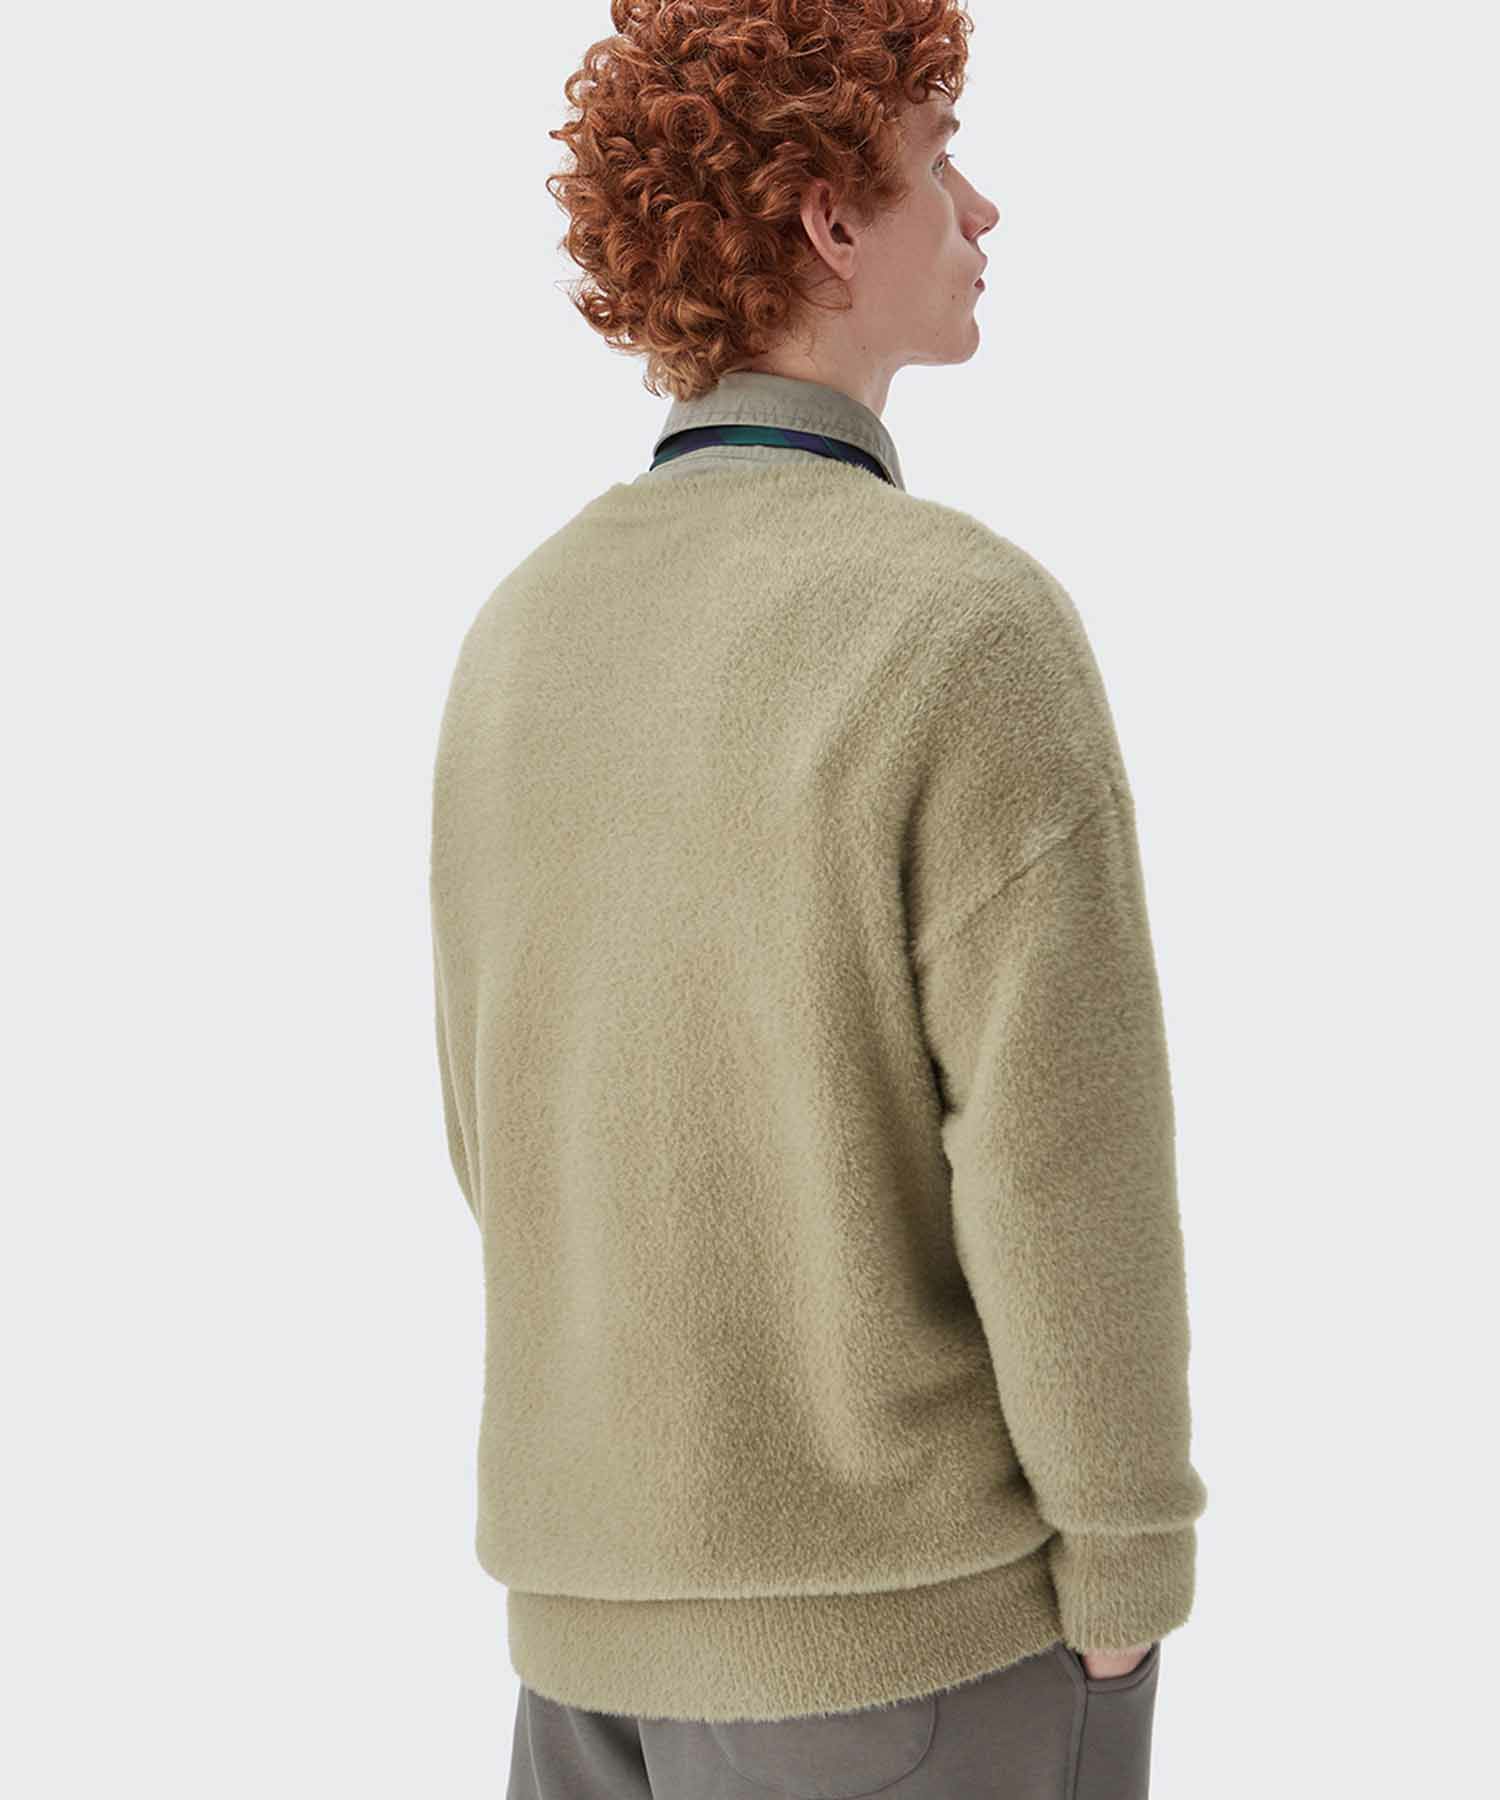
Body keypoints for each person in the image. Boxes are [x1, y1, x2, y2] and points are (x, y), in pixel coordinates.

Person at [428, 4, 1208, 1795]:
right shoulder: (961, 626)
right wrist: (1126, 1564)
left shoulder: (520, 632)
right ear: (830, 218)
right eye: (941, 160)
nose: (982, 209)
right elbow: (1062, 1160)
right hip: (902, 1649)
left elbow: (498, 1129)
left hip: (582, 1642)